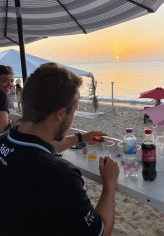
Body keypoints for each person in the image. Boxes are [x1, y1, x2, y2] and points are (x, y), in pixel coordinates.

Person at [0, 63, 119, 236]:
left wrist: (82, 137)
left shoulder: (6, 140)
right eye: (74, 111)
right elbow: (101, 232)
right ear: (61, 114)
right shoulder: (60, 176)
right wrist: (109, 184)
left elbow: (38, 148)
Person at [0, 65, 14, 134]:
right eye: (4, 81)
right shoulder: (2, 96)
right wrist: (9, 122)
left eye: (12, 81)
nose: (10, 84)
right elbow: (1, 129)